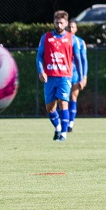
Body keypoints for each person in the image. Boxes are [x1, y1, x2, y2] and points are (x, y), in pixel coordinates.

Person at [36, 10, 81, 142]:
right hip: (49, 77)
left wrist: (82, 76)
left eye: (61, 23)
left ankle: (63, 134)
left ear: (66, 23)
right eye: (57, 22)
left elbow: (78, 59)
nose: (59, 25)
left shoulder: (71, 38)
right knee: (50, 108)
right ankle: (58, 127)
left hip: (64, 76)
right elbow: (39, 56)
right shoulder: (46, 37)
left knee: (63, 103)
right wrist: (41, 71)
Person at [67, 20, 89, 133]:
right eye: (69, 27)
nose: (71, 29)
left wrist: (83, 77)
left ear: (76, 29)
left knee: (73, 97)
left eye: (73, 27)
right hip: (63, 73)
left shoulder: (80, 42)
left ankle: (71, 123)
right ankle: (64, 121)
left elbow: (84, 60)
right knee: (62, 99)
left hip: (75, 73)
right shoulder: (62, 40)